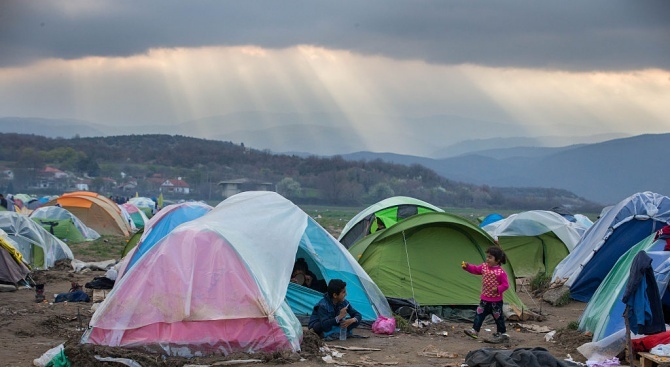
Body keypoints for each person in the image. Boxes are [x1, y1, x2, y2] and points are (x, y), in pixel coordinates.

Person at [461, 246, 510, 343]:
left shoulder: (500, 272)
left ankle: (502, 333)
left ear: (498, 260)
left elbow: (506, 285)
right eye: (487, 257)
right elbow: (475, 269)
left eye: (490, 257)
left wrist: (498, 289)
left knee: (498, 317)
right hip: (484, 299)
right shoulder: (484, 267)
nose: (487, 259)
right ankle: (475, 331)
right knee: (479, 315)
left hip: (496, 301)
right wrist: (467, 267)